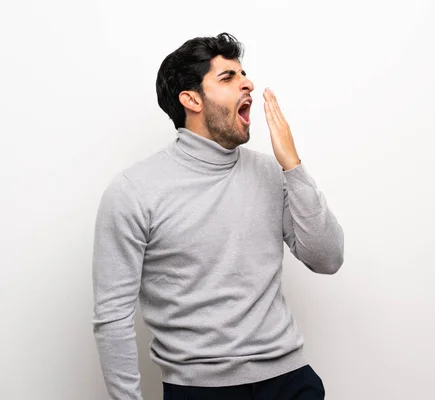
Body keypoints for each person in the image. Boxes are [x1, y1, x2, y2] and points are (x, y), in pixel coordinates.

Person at [91, 33, 344, 400]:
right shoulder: (134, 191)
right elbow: (112, 316)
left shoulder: (270, 172)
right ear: (191, 99)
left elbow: (328, 259)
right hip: (200, 390)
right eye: (228, 77)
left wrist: (292, 165)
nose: (248, 84)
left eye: (243, 73)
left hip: (291, 380)